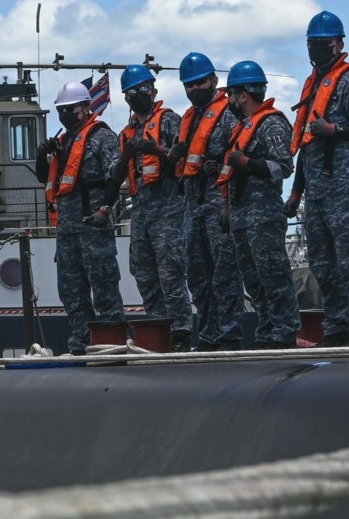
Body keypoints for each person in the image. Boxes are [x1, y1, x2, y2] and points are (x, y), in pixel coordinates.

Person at [286, 11, 349, 345]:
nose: (316, 49)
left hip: (342, 189)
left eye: (322, 44)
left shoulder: (348, 80)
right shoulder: (312, 87)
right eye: (312, 44)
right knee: (323, 265)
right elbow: (305, 146)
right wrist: (296, 193)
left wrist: (334, 130)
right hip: (315, 193)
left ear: (338, 44)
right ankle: (337, 328)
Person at [34, 79, 124, 353]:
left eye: (70, 109)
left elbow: (115, 176)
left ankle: (112, 344)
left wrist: (104, 210)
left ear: (85, 108)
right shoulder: (63, 142)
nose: (65, 115)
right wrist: (42, 157)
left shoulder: (102, 137)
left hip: (92, 226)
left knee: (104, 287)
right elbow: (45, 178)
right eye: (61, 110)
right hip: (68, 231)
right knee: (71, 291)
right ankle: (81, 341)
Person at [219, 61, 301, 349]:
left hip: (263, 215)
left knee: (273, 275)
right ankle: (267, 329)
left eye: (231, 94)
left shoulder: (271, 124)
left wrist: (247, 163)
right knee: (254, 282)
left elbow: (283, 167)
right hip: (242, 217)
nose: (228, 100)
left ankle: (284, 331)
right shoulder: (241, 128)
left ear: (243, 94)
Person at [173, 52, 247, 350]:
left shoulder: (228, 114)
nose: (194, 90)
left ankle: (229, 337)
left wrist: (228, 202)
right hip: (192, 207)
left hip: (219, 204)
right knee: (199, 277)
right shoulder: (189, 120)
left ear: (214, 80)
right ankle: (207, 336)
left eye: (199, 83)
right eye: (188, 85)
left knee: (225, 274)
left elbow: (239, 154)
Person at [117, 64, 194, 348]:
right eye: (132, 92)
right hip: (140, 211)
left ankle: (181, 333)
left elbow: (183, 157)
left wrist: (156, 150)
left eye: (143, 89)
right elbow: (116, 175)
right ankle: (158, 325)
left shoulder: (169, 121)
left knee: (170, 272)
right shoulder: (127, 133)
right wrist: (126, 156)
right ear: (126, 97)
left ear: (153, 90)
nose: (138, 95)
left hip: (169, 207)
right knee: (143, 271)